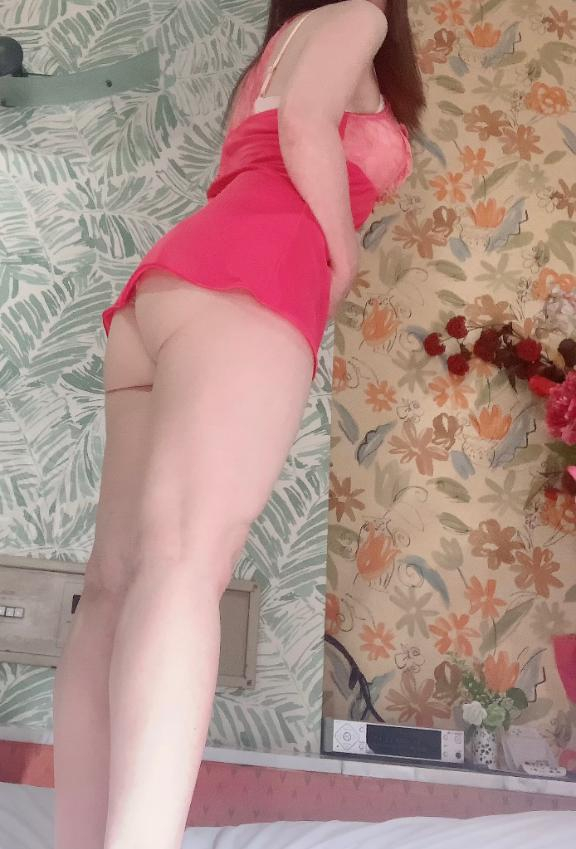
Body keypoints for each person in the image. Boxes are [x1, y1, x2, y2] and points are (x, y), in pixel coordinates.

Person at [52, 1, 425, 848]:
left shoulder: (277, 47)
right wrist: (342, 260)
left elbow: (260, 147)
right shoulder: (359, 15)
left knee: (112, 585)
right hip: (253, 279)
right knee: (183, 567)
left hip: (167, 288)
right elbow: (304, 126)